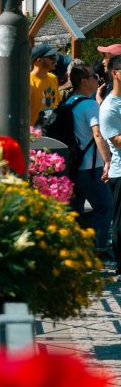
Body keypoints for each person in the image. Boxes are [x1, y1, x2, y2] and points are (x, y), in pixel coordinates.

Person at [65, 62, 113, 259]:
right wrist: (107, 161)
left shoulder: (69, 102)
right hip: (90, 167)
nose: (97, 78)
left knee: (74, 210)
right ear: (84, 81)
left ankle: (73, 248)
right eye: (93, 76)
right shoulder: (89, 104)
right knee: (105, 208)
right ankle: (98, 249)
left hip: (72, 166)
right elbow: (98, 134)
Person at [99, 54, 121, 268]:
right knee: (119, 223)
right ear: (115, 73)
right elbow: (115, 140)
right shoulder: (109, 106)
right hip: (119, 172)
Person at [29, 42, 61, 126]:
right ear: (38, 60)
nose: (55, 60)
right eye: (51, 57)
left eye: (55, 56)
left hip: (51, 131)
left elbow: (56, 104)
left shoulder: (53, 78)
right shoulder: (28, 82)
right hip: (33, 134)